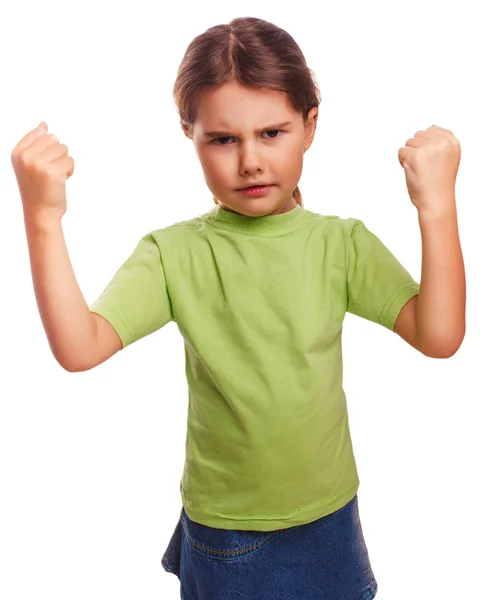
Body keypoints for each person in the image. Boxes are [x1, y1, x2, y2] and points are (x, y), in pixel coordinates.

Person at [11, 16, 465, 600]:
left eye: (272, 133)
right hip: (226, 530)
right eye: (223, 139)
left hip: (330, 518)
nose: (249, 161)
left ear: (310, 125)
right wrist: (43, 219)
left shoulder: (340, 244)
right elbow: (80, 347)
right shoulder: (174, 253)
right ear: (189, 134)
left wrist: (437, 206)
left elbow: (440, 334)